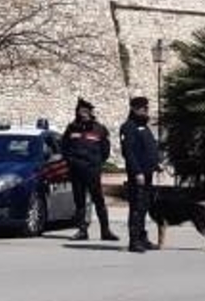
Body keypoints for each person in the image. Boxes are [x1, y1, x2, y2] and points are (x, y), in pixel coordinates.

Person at [60, 98, 117, 242]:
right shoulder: (71, 128)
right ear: (77, 112)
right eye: (81, 111)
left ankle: (105, 231)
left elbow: (105, 150)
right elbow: (64, 147)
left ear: (91, 113)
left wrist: (97, 163)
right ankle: (82, 230)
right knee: (79, 201)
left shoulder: (99, 129)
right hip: (76, 170)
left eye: (86, 111)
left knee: (98, 200)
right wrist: (70, 161)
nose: (83, 114)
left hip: (92, 170)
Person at [119, 95, 161, 253]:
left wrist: (156, 163)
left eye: (147, 108)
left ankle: (143, 238)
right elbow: (129, 153)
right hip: (138, 174)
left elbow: (148, 148)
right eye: (143, 108)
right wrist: (137, 172)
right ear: (134, 109)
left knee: (144, 206)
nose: (146, 111)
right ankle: (134, 241)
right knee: (136, 207)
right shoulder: (128, 127)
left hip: (148, 172)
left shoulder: (143, 126)